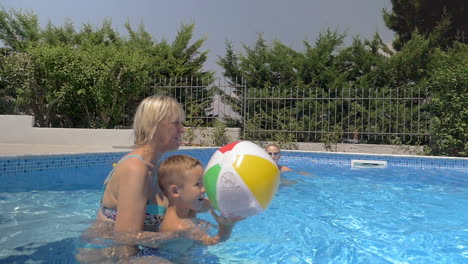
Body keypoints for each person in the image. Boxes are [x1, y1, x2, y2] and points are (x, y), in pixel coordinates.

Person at [77, 95, 196, 263]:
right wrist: (176, 234)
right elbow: (126, 240)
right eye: (175, 123)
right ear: (155, 125)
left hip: (136, 250)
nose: (182, 129)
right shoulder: (136, 169)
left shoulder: (155, 166)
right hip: (107, 254)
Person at [157, 154, 241, 253]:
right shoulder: (179, 228)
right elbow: (214, 241)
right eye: (197, 184)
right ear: (175, 191)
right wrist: (226, 228)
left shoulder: (188, 208)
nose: (204, 189)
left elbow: (214, 204)